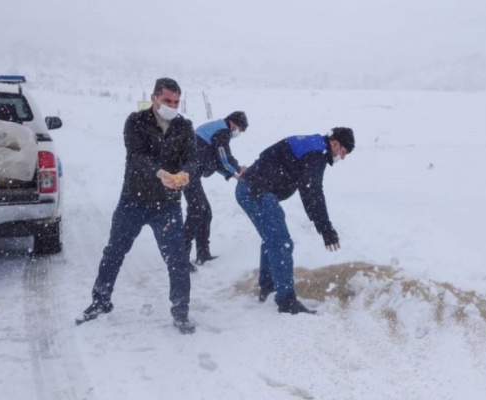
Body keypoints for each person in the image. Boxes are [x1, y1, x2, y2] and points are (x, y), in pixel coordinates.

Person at [78, 77, 197, 334]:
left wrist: (186, 173)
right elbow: (136, 157)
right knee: (114, 252)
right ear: (154, 98)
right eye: (167, 100)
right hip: (133, 200)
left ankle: (181, 311)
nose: (173, 106)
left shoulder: (185, 127)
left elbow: (192, 159)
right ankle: (100, 301)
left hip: (168, 204)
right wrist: (160, 173)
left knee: (177, 259)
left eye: (177, 101)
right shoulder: (136, 121)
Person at [235, 128, 355, 314]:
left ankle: (268, 285)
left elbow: (308, 187)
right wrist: (326, 228)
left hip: (252, 189)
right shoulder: (317, 152)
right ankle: (286, 301)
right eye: (343, 152)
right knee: (281, 242)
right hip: (256, 192)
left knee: (272, 238)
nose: (343, 157)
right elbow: (311, 191)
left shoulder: (314, 146)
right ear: (334, 143)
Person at [183, 111, 249, 267]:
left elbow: (214, 161)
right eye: (241, 129)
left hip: (191, 173)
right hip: (185, 173)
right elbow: (223, 157)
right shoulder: (222, 131)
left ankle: (203, 254)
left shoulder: (218, 130)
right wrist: (238, 168)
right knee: (197, 210)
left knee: (204, 212)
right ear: (233, 123)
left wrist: (233, 176)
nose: (239, 133)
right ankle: (180, 257)